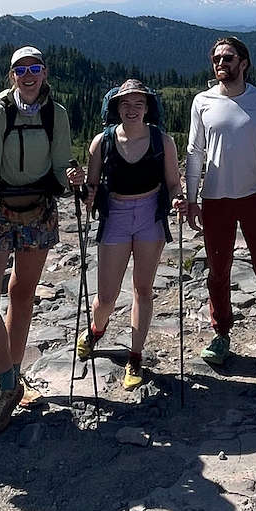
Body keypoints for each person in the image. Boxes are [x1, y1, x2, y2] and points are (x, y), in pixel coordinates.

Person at [0, 45, 71, 436]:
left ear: (44, 73)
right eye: (20, 70)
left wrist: (73, 179)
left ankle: (8, 383)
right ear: (11, 75)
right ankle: (9, 380)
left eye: (35, 68)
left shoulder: (55, 114)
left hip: (38, 208)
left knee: (22, 291)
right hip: (2, 211)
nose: (28, 75)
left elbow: (61, 165)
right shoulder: (0, 113)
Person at [70, 79, 185, 390]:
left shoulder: (164, 141)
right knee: (106, 296)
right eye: (125, 104)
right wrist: (84, 189)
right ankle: (97, 328)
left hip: (150, 215)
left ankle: (135, 356)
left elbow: (173, 182)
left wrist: (178, 198)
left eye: (138, 104)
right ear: (115, 107)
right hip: (116, 216)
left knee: (143, 289)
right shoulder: (102, 142)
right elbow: (91, 188)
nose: (132, 109)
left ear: (148, 108)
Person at [185, 37, 256, 377]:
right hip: (215, 198)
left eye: (227, 58)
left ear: (244, 62)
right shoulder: (202, 102)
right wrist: (191, 197)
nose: (220, 64)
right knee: (218, 272)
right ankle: (221, 334)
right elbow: (194, 150)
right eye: (216, 58)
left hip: (255, 195)